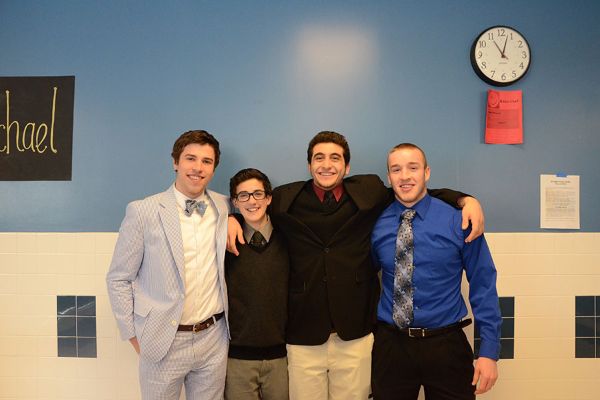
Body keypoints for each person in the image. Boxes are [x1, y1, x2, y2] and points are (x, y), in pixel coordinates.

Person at [228, 131, 485, 400]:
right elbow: (252, 206)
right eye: (319, 158)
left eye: (335, 158)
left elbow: (413, 190)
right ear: (309, 165)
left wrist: (465, 200)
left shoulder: (369, 191)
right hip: (303, 331)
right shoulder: (284, 198)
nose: (327, 164)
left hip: (355, 332)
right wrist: (232, 219)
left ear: (347, 166)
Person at [370, 143, 501, 400]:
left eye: (413, 168)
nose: (405, 176)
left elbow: (483, 284)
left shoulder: (459, 220)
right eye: (396, 169)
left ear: (427, 172)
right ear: (389, 177)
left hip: (446, 346)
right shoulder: (376, 223)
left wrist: (488, 351)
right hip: (391, 346)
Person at [106, 130, 230, 400]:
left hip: (214, 338)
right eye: (190, 159)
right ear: (176, 162)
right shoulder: (143, 211)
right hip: (163, 340)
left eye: (207, 161)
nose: (198, 168)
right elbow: (118, 278)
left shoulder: (224, 206)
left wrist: (233, 219)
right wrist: (134, 336)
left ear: (214, 168)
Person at [224, 168, 290, 400]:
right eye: (243, 195)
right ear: (235, 201)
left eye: (258, 194)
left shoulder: (289, 238)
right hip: (237, 358)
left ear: (269, 198)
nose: (252, 201)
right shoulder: (225, 242)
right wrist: (229, 219)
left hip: (281, 356)